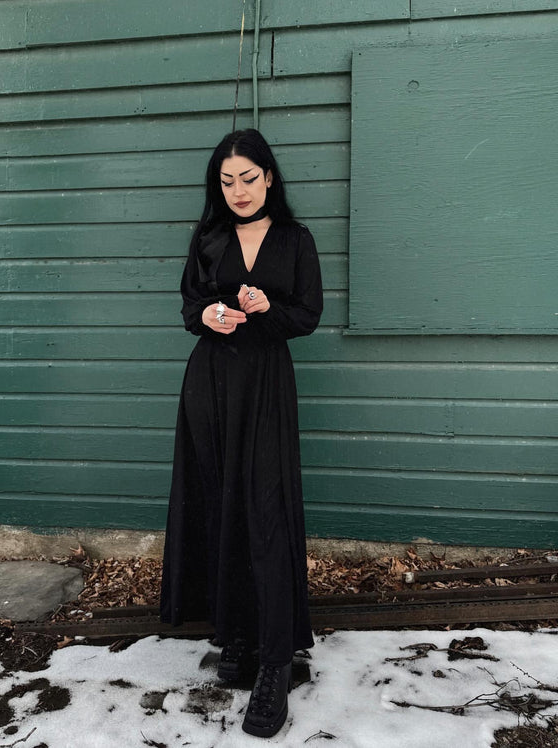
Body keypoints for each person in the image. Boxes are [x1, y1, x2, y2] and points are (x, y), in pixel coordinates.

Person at [160, 128, 323, 738]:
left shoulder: (295, 240)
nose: (238, 191)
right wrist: (207, 313)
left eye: (248, 178)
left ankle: (277, 659)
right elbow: (187, 307)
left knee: (266, 507)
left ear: (270, 178)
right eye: (227, 181)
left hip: (265, 386)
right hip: (211, 385)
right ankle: (234, 636)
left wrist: (264, 311)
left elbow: (307, 315)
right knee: (221, 501)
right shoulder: (207, 238)